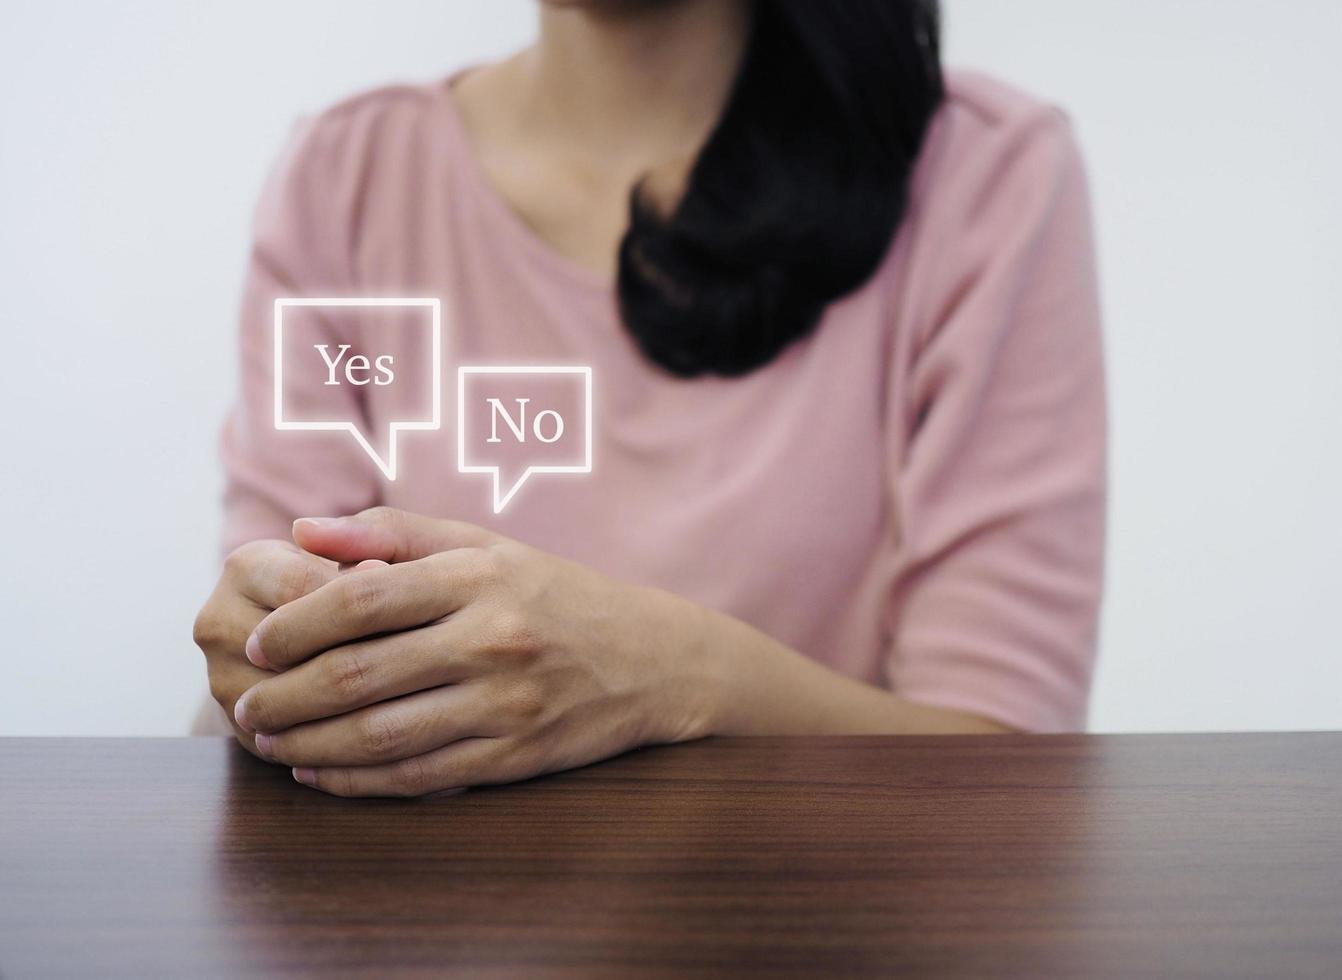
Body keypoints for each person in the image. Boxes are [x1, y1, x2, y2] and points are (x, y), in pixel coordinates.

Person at [192, 0, 1107, 798]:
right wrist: (263, 659)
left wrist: (679, 676)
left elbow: (1010, 769)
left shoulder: (986, 176)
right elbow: (249, 682)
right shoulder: (346, 178)